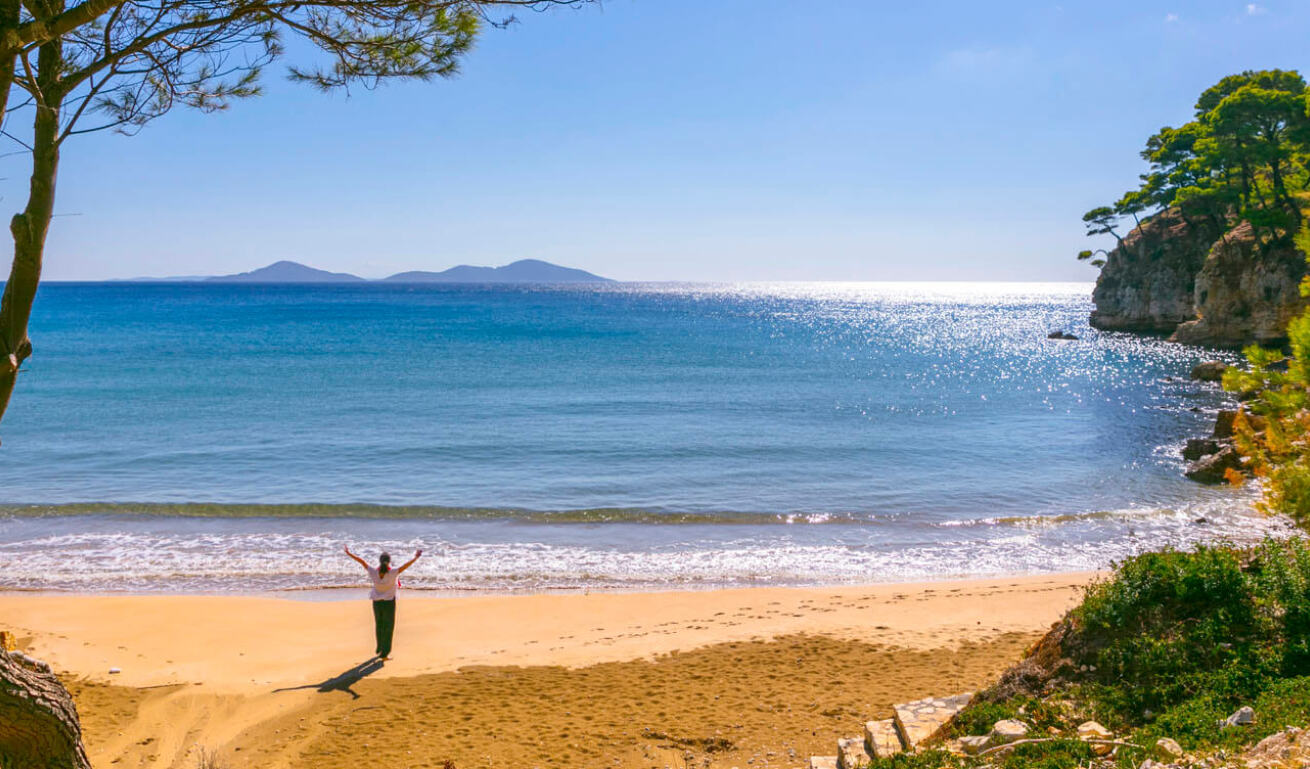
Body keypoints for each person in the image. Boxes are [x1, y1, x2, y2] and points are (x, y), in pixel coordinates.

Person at [344, 545, 422, 660]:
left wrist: (349, 553)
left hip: (376, 602)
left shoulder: (373, 572)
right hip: (389, 603)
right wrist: (415, 558)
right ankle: (385, 653)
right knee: (388, 627)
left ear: (379, 562)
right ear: (389, 562)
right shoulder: (393, 573)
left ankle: (379, 647)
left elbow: (362, 561)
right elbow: (406, 565)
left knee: (379, 625)